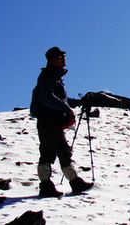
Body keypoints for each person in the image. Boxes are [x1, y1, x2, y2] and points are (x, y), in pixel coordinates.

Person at [30, 47, 93, 197]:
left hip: (53, 120)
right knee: (48, 152)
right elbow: (49, 99)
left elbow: (60, 99)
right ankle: (45, 186)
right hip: (47, 119)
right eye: (60, 56)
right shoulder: (47, 76)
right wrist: (67, 109)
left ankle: (75, 182)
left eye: (64, 55)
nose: (64, 58)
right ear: (52, 60)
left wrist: (78, 102)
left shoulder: (54, 77)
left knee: (63, 151)